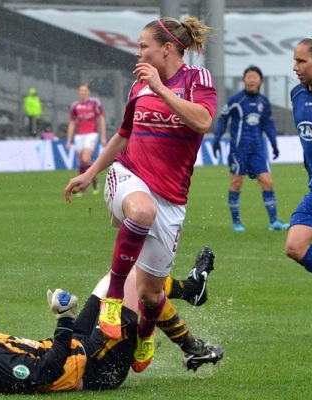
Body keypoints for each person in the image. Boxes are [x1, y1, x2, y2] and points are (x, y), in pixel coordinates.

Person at [0, 217, 224, 393]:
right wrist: (64, 320)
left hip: (79, 346)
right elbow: (45, 372)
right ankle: (189, 341)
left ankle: (191, 295)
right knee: (140, 277)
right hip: (96, 368)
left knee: (118, 275)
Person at [64, 16, 217, 373]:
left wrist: (162, 90)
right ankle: (115, 297)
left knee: (150, 294)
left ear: (166, 49)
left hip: (172, 198)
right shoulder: (139, 86)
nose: (138, 53)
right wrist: (90, 172)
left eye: (143, 46)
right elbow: (123, 135)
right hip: (128, 175)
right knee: (142, 212)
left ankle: (147, 334)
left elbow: (203, 122)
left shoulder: (197, 80)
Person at [213, 66, 290, 232]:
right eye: (248, 77)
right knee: (236, 183)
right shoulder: (236, 100)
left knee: (268, 182)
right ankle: (237, 223)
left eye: (254, 77)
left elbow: (268, 124)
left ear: (260, 80)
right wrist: (217, 139)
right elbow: (222, 119)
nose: (251, 80)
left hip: (258, 150)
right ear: (244, 80)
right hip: (238, 150)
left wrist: (274, 143)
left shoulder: (263, 102)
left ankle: (274, 222)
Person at [284, 33, 312, 275]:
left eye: (301, 61)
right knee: (294, 246)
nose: (295, 67)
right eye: (295, 61)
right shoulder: (297, 94)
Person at [66, 83, 107, 195]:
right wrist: (69, 140)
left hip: (91, 134)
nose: (83, 92)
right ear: (79, 92)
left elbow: (101, 119)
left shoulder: (94, 103)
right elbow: (72, 123)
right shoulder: (75, 106)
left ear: (88, 92)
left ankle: (92, 184)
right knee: (82, 163)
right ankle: (84, 187)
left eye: (85, 90)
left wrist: (103, 136)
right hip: (79, 135)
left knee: (85, 159)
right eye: (81, 90)